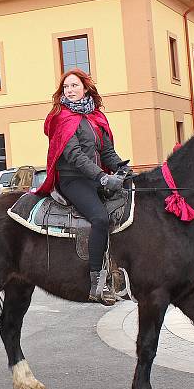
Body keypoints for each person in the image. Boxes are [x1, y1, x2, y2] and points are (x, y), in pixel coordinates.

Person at [35, 69, 131, 304]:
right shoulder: (62, 118)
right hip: (72, 179)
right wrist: (103, 178)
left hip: (95, 178)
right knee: (99, 218)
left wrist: (120, 168)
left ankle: (122, 273)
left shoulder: (95, 117)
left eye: (74, 86)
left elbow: (106, 151)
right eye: (66, 87)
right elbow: (75, 156)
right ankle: (96, 284)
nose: (70, 91)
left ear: (85, 88)